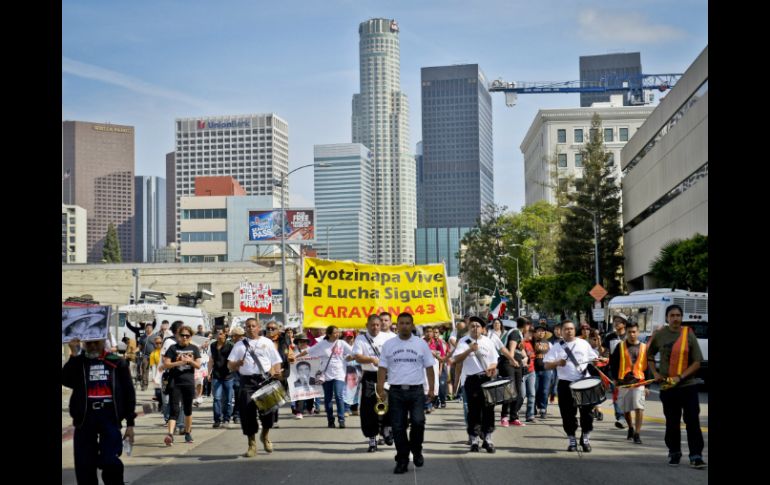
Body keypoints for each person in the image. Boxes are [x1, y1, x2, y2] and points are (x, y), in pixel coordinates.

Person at [62, 338, 136, 485]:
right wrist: (74, 355)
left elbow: (129, 393)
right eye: (89, 343)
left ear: (103, 342)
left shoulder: (116, 362)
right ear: (84, 343)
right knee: (84, 464)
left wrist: (130, 424)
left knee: (110, 460)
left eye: (97, 342)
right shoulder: (79, 361)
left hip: (109, 416)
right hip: (85, 418)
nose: (93, 346)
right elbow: (66, 379)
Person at [647, 305, 706, 469]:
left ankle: (696, 456)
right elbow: (649, 354)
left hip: (688, 386)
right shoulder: (660, 335)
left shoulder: (689, 334)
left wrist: (680, 377)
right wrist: (655, 373)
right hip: (668, 387)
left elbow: (697, 362)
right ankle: (674, 453)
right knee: (672, 423)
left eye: (678, 315)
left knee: (692, 421)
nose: (675, 318)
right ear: (667, 318)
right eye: (672, 315)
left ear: (681, 317)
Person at [378, 312, 436, 474]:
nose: (404, 326)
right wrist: (380, 388)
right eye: (401, 323)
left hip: (416, 390)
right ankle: (402, 459)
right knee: (398, 426)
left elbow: (429, 367)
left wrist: (431, 389)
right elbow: (382, 367)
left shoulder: (420, 344)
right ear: (397, 325)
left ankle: (416, 450)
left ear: (412, 325)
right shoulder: (389, 344)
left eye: (407, 323)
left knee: (418, 422)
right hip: (396, 390)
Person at [227, 318, 283, 457]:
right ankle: (251, 444)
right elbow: (229, 365)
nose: (251, 328)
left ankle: (265, 436)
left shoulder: (266, 342)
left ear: (258, 327)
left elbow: (276, 361)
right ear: (245, 328)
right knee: (247, 414)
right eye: (248, 326)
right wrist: (237, 364)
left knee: (269, 414)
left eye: (253, 326)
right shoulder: (239, 345)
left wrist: (276, 372)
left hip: (264, 380)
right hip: (247, 382)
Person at [543, 320, 599, 453]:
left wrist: (598, 360)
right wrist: (557, 363)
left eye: (571, 329)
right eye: (566, 329)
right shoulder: (557, 347)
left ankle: (585, 437)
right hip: (565, 383)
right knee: (568, 414)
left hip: (583, 381)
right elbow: (546, 365)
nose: (569, 331)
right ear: (561, 332)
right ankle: (571, 439)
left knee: (587, 413)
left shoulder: (583, 343)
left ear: (575, 330)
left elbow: (594, 359)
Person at [452, 316, 500, 453]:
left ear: (482, 329)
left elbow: (494, 360)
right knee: (473, 411)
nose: (475, 328)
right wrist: (469, 350)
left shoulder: (488, 342)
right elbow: (457, 359)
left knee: (488, 410)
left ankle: (488, 439)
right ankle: (474, 439)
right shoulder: (463, 341)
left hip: (486, 379)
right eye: (472, 326)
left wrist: (492, 368)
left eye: (478, 326)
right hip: (471, 380)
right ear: (469, 328)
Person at [353, 314, 396, 451]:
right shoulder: (361, 338)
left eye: (378, 324)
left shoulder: (389, 338)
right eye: (372, 325)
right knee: (368, 409)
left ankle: (387, 429)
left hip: (388, 376)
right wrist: (371, 360)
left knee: (390, 405)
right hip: (370, 376)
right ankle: (372, 439)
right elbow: (358, 357)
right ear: (367, 325)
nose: (375, 327)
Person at [297, 325, 355, 428]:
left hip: (339, 374)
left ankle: (341, 419)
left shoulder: (341, 343)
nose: (337, 334)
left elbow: (353, 352)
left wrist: (351, 358)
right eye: (335, 333)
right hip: (326, 375)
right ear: (328, 334)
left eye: (338, 332)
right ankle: (330, 420)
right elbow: (308, 351)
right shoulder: (322, 344)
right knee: (328, 398)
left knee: (338, 395)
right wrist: (295, 357)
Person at [609, 321, 652, 444]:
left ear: (638, 332)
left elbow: (648, 367)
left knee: (639, 408)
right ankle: (631, 428)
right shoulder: (620, 346)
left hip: (639, 382)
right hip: (624, 382)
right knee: (626, 410)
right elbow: (614, 363)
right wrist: (615, 379)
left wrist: (647, 385)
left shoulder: (644, 347)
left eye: (634, 332)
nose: (632, 334)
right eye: (629, 332)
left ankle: (637, 434)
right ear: (626, 332)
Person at [163, 325, 202, 445]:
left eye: (187, 335)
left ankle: (188, 433)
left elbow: (198, 365)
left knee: (188, 409)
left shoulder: (194, 348)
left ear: (190, 337)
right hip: (175, 382)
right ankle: (170, 434)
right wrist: (180, 362)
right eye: (182, 335)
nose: (185, 337)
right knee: (174, 409)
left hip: (188, 382)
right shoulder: (172, 348)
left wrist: (190, 361)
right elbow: (166, 364)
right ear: (178, 336)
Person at [604, 313, 629, 429]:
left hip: (628, 372)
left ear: (624, 324)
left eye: (618, 321)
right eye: (614, 321)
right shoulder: (609, 337)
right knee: (617, 395)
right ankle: (620, 417)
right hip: (614, 371)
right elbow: (604, 352)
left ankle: (628, 422)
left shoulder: (629, 336)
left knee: (627, 397)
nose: (616, 323)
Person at [209, 328, 235, 428]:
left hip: (228, 375)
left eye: (220, 334)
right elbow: (211, 360)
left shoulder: (230, 346)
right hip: (216, 375)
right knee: (217, 398)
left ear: (225, 335)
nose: (218, 335)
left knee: (228, 400)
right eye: (217, 333)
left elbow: (233, 359)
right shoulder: (213, 345)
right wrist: (209, 372)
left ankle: (226, 419)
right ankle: (217, 419)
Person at [533, 324, 552, 419]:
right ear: (535, 333)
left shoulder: (549, 343)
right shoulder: (532, 342)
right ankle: (533, 408)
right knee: (535, 390)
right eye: (539, 331)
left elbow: (553, 356)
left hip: (547, 370)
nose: (541, 333)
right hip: (534, 370)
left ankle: (543, 409)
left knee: (544, 390)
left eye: (543, 331)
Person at [228, 326, 245, 424]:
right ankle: (229, 414)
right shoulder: (230, 345)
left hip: (241, 373)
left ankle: (237, 414)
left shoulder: (245, 344)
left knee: (239, 394)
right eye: (235, 336)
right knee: (227, 397)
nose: (236, 338)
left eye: (239, 336)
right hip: (231, 372)